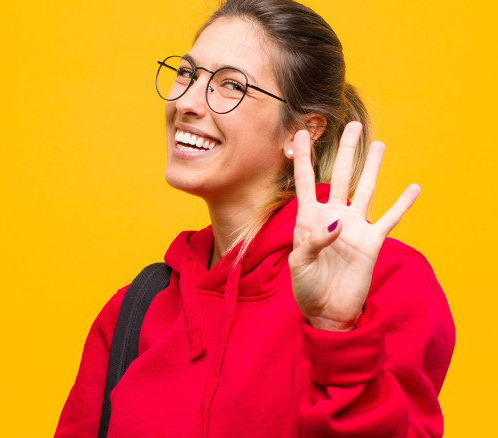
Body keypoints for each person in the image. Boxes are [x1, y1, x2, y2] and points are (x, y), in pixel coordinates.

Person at [54, 0, 455, 436]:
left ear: (301, 131)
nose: (187, 101)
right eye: (187, 74)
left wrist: (337, 332)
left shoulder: (385, 282)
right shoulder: (134, 312)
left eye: (231, 85)